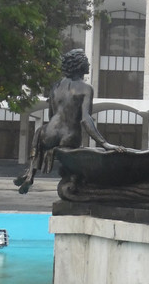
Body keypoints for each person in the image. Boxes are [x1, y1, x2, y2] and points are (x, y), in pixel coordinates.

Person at [13, 49, 118, 194]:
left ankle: (30, 173)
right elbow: (85, 118)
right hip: (69, 135)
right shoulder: (86, 88)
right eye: (86, 61)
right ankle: (73, 182)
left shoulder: (55, 86)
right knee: (72, 163)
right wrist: (104, 143)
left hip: (48, 133)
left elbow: (51, 114)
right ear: (79, 64)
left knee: (39, 131)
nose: (88, 64)